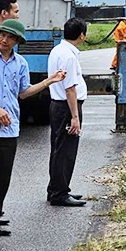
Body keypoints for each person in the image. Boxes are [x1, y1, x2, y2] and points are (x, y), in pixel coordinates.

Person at [0, 18, 64, 243]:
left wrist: (50, 81)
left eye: (9, 37)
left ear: (17, 41)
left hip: (8, 129)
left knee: (2, 175)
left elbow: (24, 92)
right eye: (2, 35)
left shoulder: (20, 64)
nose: (4, 40)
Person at [46, 18, 88, 207]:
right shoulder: (69, 56)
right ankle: (60, 193)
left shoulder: (58, 50)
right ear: (81, 35)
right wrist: (75, 117)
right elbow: (70, 88)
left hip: (57, 105)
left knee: (58, 148)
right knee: (66, 151)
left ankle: (56, 188)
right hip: (67, 106)